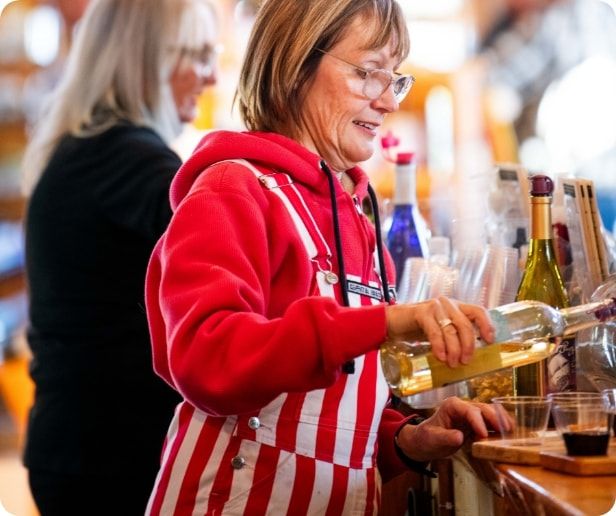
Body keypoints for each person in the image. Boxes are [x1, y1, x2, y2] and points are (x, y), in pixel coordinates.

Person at [144, 0, 499, 514]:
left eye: (394, 78)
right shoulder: (232, 189)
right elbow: (207, 359)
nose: (388, 101)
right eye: (368, 73)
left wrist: (405, 440)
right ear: (294, 65)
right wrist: (383, 321)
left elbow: (329, 413)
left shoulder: (355, 213)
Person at [21, 0, 218, 514]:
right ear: (146, 57)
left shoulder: (89, 149)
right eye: (195, 55)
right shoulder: (132, 160)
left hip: (77, 448)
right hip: (110, 457)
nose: (211, 75)